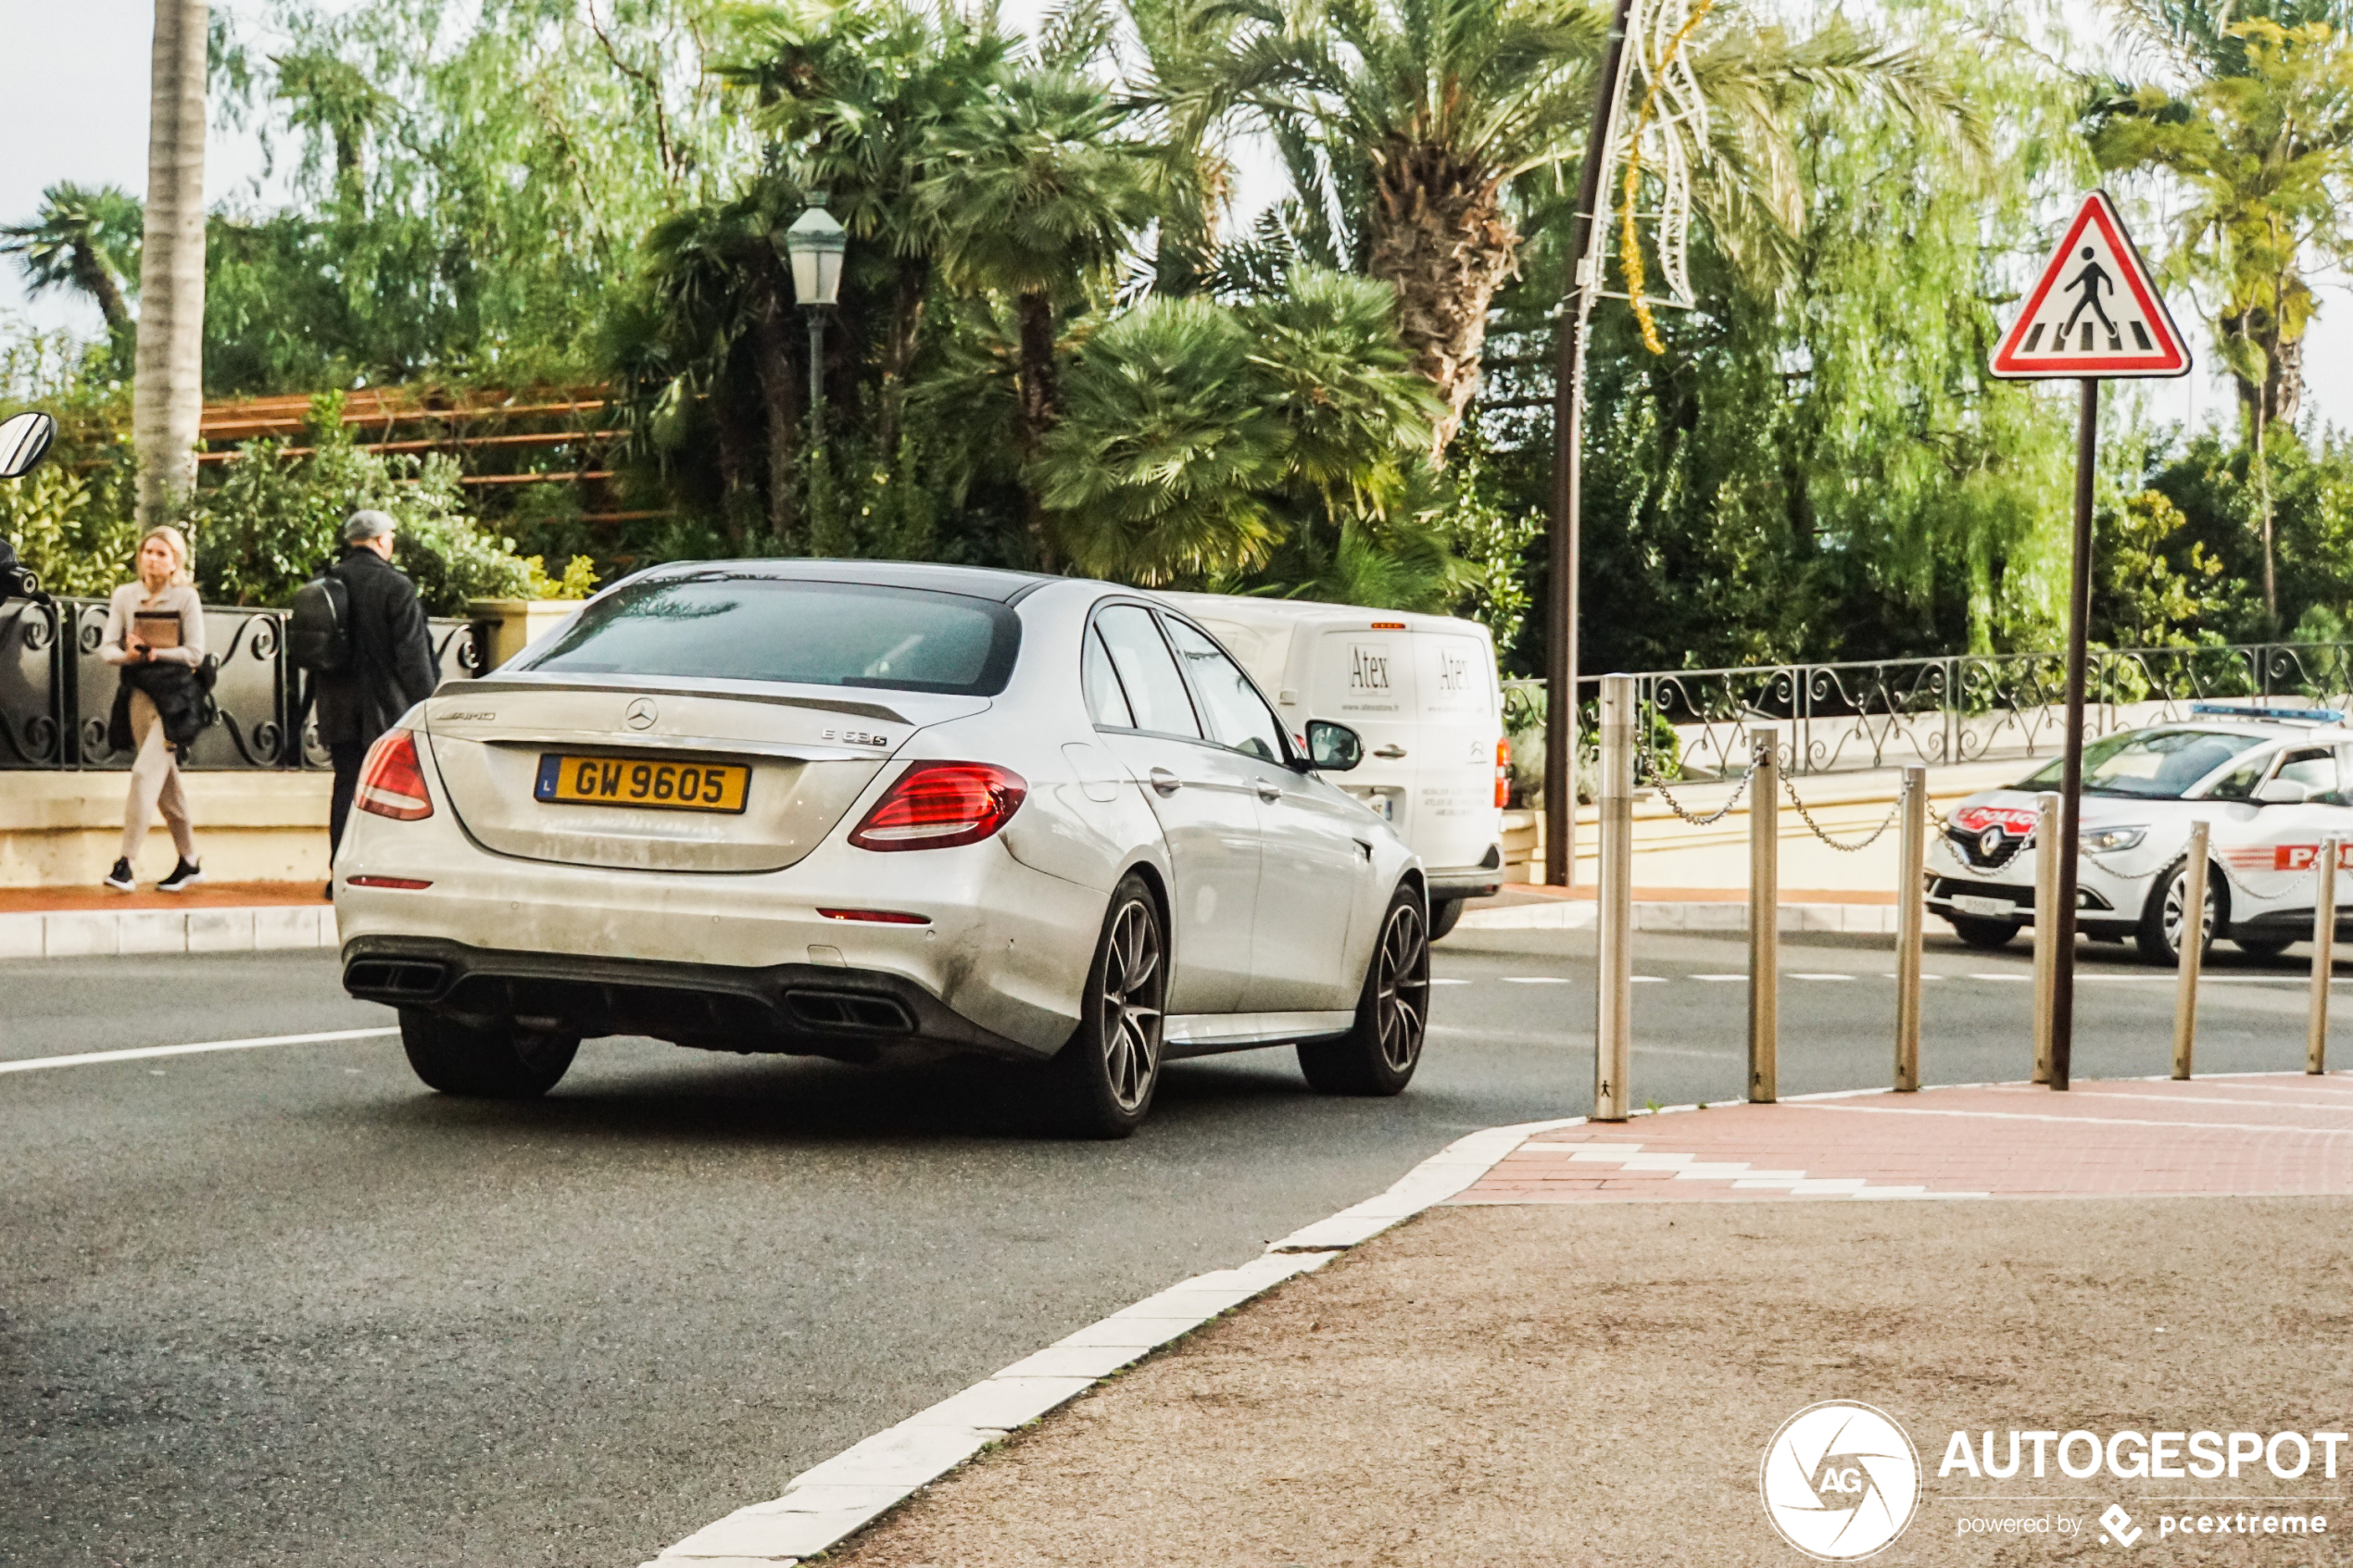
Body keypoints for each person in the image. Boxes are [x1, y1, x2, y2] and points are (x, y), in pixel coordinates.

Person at [315, 510, 439, 889]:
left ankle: (339, 875)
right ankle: (384, 872)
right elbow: (413, 660)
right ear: (382, 540)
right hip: (387, 712)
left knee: (346, 785)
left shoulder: (326, 583)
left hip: (337, 708)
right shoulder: (396, 587)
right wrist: (429, 706)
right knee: (394, 793)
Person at [99, 525, 208, 893]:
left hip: (175, 700)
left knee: (145, 774)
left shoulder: (186, 599)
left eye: (162, 553)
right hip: (139, 695)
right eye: (149, 551)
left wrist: (157, 651)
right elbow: (106, 650)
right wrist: (129, 655)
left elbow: (195, 653)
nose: (153, 559)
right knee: (166, 786)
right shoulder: (125, 595)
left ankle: (125, 863)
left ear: (175, 561)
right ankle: (190, 861)